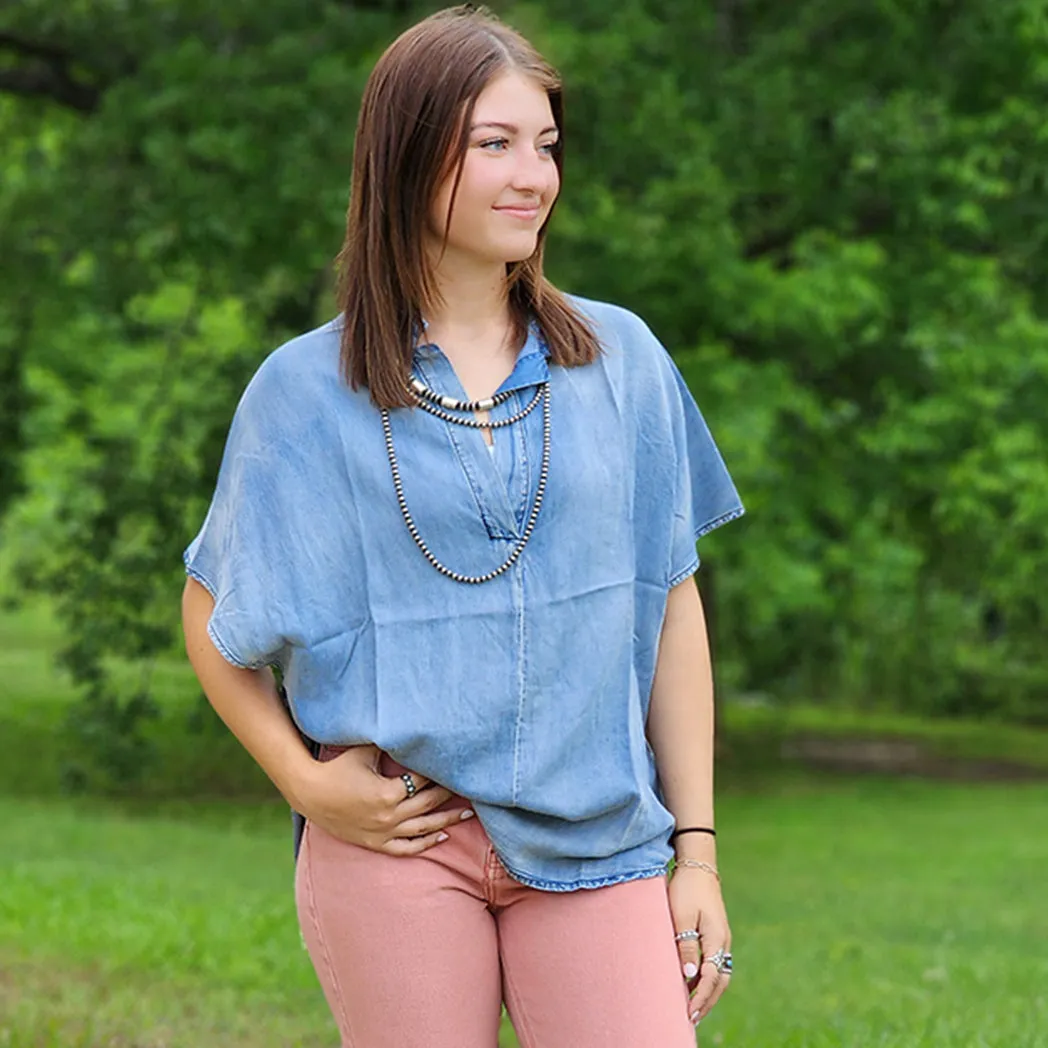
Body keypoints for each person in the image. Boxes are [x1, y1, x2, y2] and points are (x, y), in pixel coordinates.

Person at [181, 5, 744, 1046]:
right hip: (398, 842)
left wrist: (696, 852)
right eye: (494, 144)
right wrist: (304, 780)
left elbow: (670, 605)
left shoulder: (622, 364)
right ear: (405, 158)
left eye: (545, 146)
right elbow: (212, 612)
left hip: (597, 839)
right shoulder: (303, 389)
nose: (533, 175)